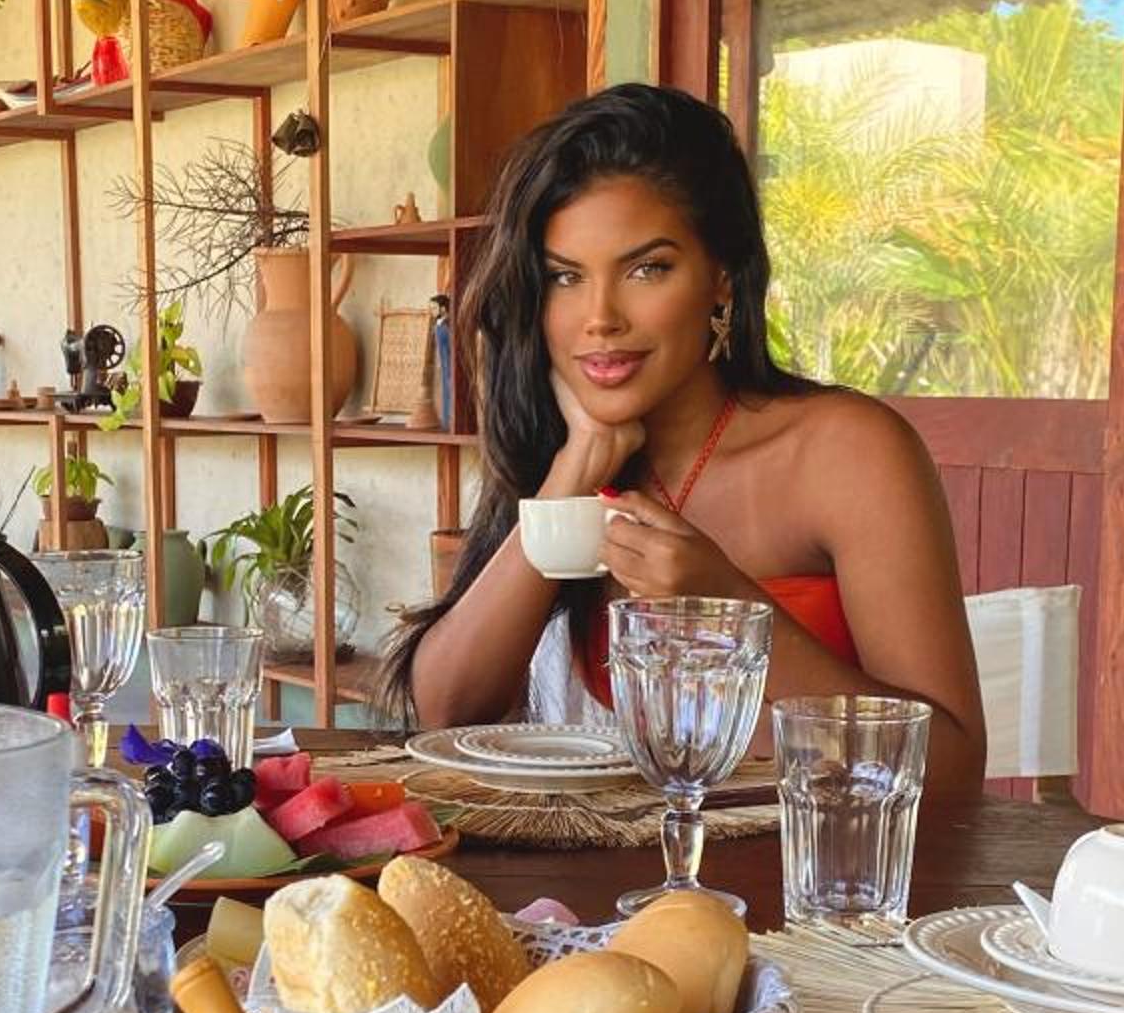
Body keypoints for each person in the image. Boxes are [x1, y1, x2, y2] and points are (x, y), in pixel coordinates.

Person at [383, 83, 986, 795]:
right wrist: (570, 476)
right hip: (616, 866)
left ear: (722, 276)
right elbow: (447, 712)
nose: (599, 317)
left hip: (808, 863)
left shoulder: (847, 452)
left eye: (647, 269)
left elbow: (951, 768)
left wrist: (724, 606)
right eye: (565, 277)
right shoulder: (563, 458)